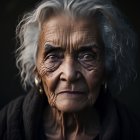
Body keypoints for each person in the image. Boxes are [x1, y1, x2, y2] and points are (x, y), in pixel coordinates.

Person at [0, 0, 139, 139]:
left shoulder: (131, 130)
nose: (69, 74)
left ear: (106, 67)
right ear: (35, 69)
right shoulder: (6, 125)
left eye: (87, 56)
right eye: (53, 56)